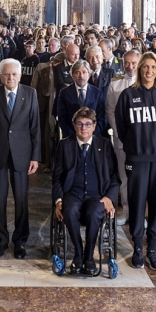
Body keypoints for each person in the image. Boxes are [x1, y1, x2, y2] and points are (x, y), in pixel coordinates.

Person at [115, 51, 156, 270]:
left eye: (153, 67)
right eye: (145, 67)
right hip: (137, 158)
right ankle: (138, 248)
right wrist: (134, 145)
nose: (149, 71)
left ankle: (152, 249)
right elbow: (121, 127)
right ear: (139, 70)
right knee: (138, 204)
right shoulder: (128, 95)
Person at [0, 58, 40, 258]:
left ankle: (20, 242)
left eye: (14, 74)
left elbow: (35, 128)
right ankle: (1, 240)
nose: (10, 77)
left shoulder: (30, 94)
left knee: (21, 199)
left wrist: (35, 157)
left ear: (20, 76)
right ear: (0, 76)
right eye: (7, 74)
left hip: (22, 154)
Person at [52, 107, 120, 274]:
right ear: (74, 126)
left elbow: (114, 177)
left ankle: (88, 257)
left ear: (94, 126)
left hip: (96, 196)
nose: (83, 128)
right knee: (69, 209)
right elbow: (57, 178)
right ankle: (78, 254)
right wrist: (58, 200)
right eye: (80, 124)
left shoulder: (104, 145)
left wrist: (109, 197)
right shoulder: (64, 145)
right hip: (72, 194)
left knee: (95, 211)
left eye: (88, 124)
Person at [105, 49, 139, 225]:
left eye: (134, 63)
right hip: (122, 138)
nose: (130, 66)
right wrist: (119, 131)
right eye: (127, 63)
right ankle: (126, 211)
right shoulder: (115, 84)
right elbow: (110, 110)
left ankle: (139, 214)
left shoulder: (145, 83)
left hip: (142, 140)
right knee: (124, 176)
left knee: (141, 177)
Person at [55, 60, 105, 139]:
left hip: (93, 138)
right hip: (71, 138)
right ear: (72, 75)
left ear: (89, 74)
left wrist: (91, 135)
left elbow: (102, 118)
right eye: (77, 72)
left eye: (84, 72)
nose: (81, 76)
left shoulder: (97, 93)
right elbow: (62, 118)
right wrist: (74, 136)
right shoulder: (64, 93)